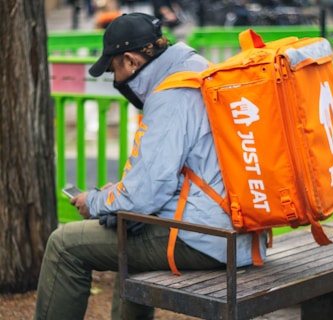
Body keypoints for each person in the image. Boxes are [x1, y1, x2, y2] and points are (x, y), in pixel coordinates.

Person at [34, 13, 268, 320]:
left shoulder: (170, 96)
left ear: (130, 61)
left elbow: (145, 195)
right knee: (126, 234)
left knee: (64, 245)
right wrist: (118, 195)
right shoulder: (197, 69)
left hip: (208, 238)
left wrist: (93, 202)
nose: (116, 80)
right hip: (239, 231)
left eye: (114, 69)